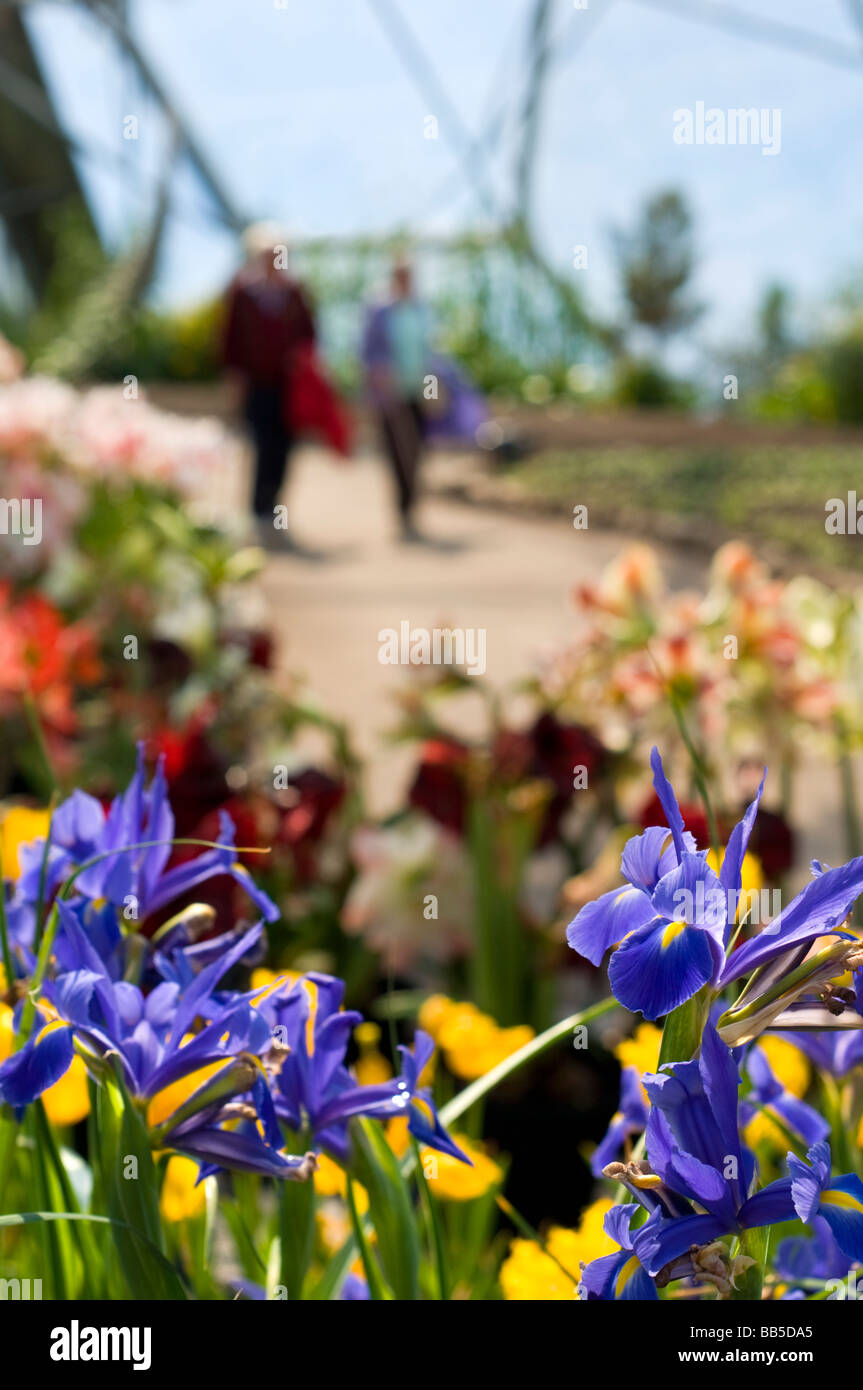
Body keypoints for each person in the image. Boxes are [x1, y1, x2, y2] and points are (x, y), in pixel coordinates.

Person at [221, 222, 316, 543]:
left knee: (284, 447)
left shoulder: (294, 293)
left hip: (289, 387)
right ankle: (257, 511)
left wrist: (304, 363)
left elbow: (309, 336)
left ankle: (275, 508)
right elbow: (230, 338)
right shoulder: (244, 292)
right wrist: (235, 377)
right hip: (257, 385)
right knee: (261, 445)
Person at [362, 258, 432, 542]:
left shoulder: (420, 309)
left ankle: (412, 503)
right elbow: (367, 350)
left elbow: (430, 350)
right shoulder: (379, 310)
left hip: (418, 390)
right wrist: (379, 373)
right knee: (396, 450)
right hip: (390, 394)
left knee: (418, 449)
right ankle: (402, 508)